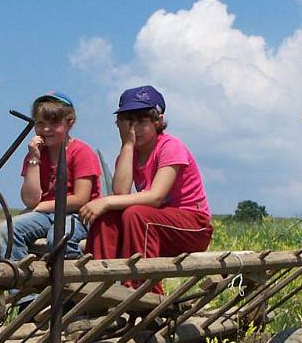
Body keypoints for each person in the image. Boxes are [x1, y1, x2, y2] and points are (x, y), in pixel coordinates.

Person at [80, 85, 212, 294]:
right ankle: (97, 285)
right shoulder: (130, 153)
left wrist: (104, 201)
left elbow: (156, 197)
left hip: (192, 226)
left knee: (137, 214)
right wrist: (128, 145)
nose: (135, 130)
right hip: (155, 226)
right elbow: (121, 192)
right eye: (128, 123)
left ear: (157, 121)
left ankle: (143, 290)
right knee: (107, 218)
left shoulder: (170, 147)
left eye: (141, 122)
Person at [0, 91, 101, 262]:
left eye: (54, 124)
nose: (46, 130)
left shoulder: (81, 152)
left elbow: (81, 199)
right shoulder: (36, 154)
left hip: (78, 215)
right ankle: (22, 284)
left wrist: (41, 207)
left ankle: (76, 279)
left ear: (69, 123)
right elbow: (30, 200)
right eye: (40, 123)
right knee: (8, 229)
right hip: (46, 214)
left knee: (58, 238)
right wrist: (34, 160)